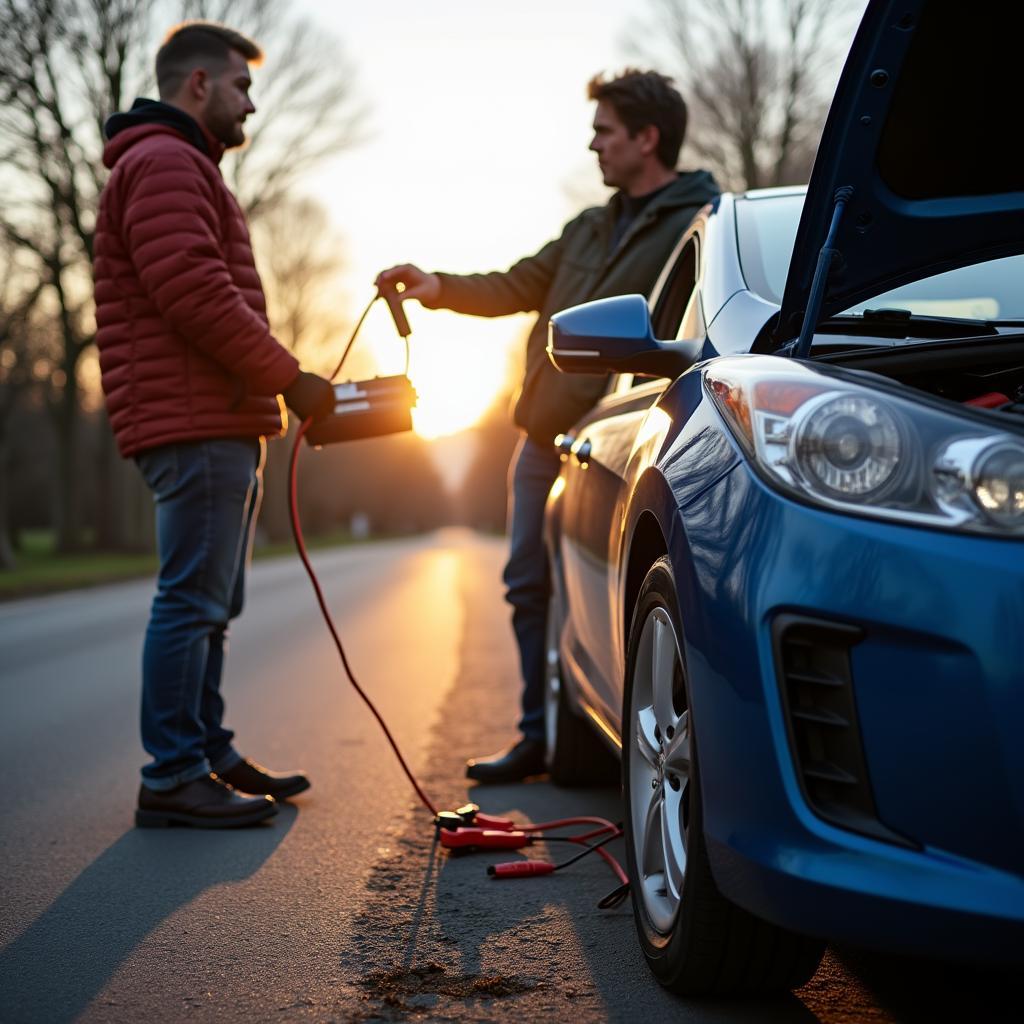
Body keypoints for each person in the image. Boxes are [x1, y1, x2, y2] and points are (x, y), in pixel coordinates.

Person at [377, 70, 719, 784]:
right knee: (525, 584)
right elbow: (516, 284)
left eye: (605, 131)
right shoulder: (590, 226)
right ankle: (536, 735)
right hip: (541, 443)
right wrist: (436, 288)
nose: (592, 144)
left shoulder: (704, 219)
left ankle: (641, 749)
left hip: (621, 440)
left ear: (646, 138)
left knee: (617, 595)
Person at [93, 22, 337, 827]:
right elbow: (194, 293)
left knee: (213, 600)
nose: (252, 103)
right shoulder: (164, 163)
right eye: (242, 86)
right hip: (192, 420)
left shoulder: (180, 163)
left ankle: (205, 750)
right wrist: (291, 377)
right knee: (191, 600)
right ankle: (171, 775)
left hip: (215, 417)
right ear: (197, 84)